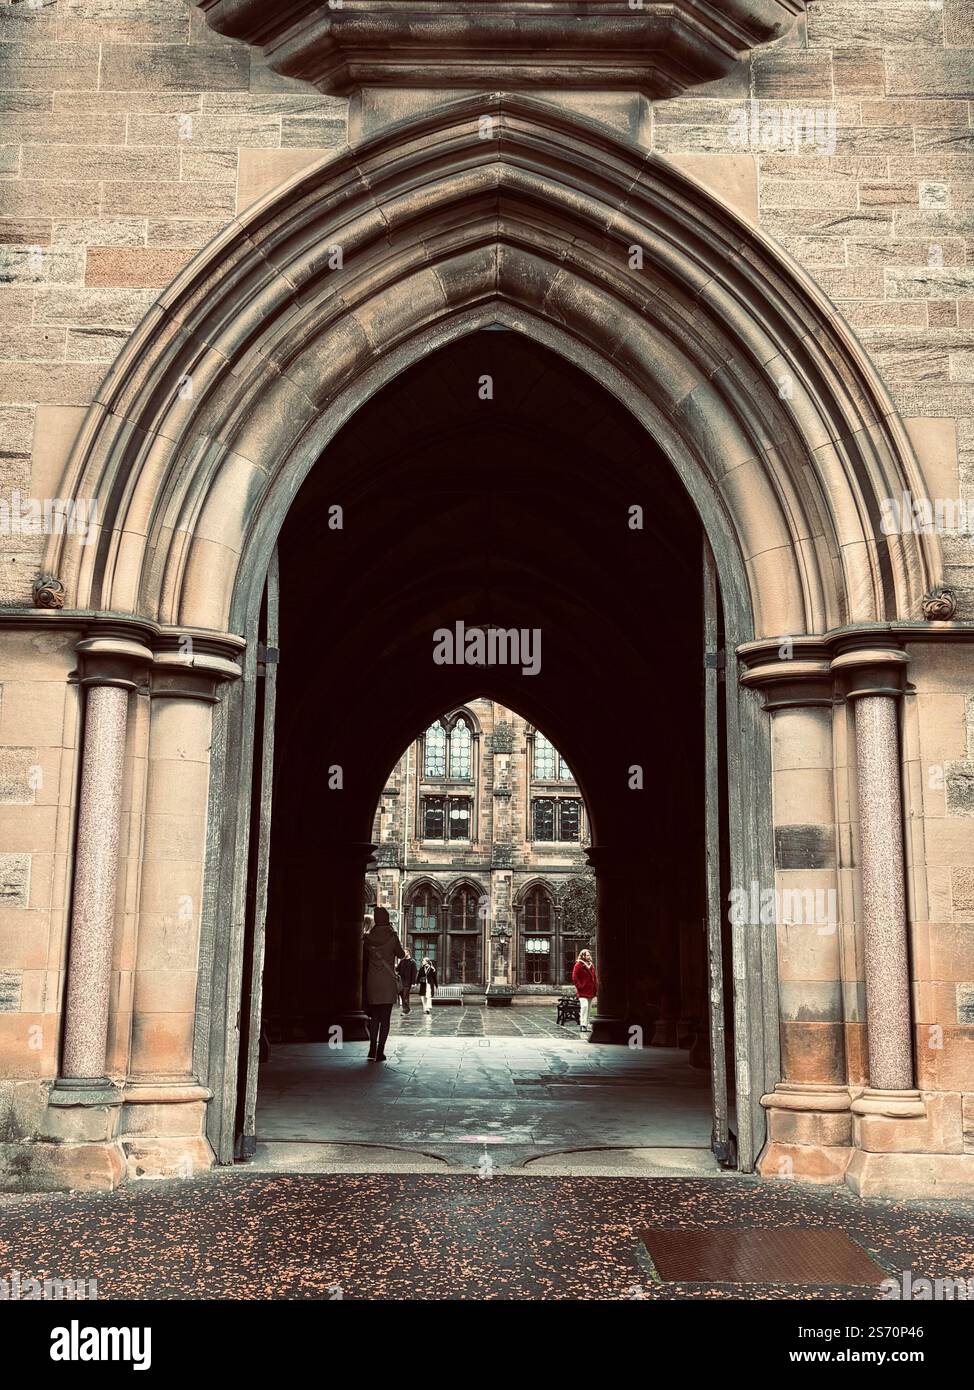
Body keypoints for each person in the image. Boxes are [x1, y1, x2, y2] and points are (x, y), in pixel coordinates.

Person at [362, 906, 406, 1061]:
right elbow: (401, 955)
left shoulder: (367, 938)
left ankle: (371, 1049)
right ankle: (380, 1051)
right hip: (387, 981)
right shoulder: (392, 936)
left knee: (374, 1017)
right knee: (385, 1018)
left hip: (372, 980)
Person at [572, 948, 597, 1031]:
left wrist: (595, 988)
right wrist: (580, 986)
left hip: (590, 990)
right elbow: (575, 977)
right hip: (582, 990)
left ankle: (586, 1025)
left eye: (589, 955)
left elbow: (594, 977)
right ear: (583, 956)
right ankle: (582, 1024)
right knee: (584, 1006)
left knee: (589, 1008)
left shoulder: (591, 965)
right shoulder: (578, 965)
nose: (589, 956)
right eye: (587, 955)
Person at [397, 949, 418, 1014]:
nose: (404, 953)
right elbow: (397, 969)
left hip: (408, 982)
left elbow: (414, 973)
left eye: (405, 952)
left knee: (405, 995)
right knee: (401, 995)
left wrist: (413, 983)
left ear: (408, 953)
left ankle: (405, 1010)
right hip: (401, 982)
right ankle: (407, 1009)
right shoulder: (402, 961)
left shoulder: (412, 962)